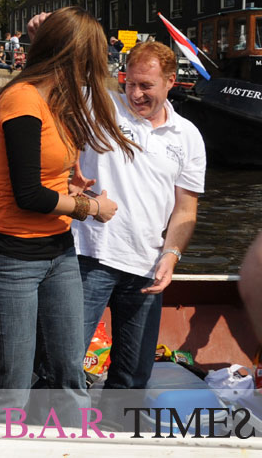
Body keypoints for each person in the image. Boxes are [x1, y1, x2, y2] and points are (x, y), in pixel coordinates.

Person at [0, 6, 135, 425]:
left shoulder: (57, 99)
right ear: (72, 55)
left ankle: (71, 444)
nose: (96, 69)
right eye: (93, 58)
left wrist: (71, 183)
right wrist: (91, 208)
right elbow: (28, 195)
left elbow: (48, 172)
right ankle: (3, 444)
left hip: (59, 253)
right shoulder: (22, 100)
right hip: (11, 258)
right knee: (14, 380)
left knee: (69, 372)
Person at [71, 40, 205, 391]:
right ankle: (53, 426)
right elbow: (51, 83)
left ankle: (118, 425)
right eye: (129, 83)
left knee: (133, 376)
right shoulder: (100, 106)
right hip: (88, 257)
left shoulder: (188, 136)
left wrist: (171, 255)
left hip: (146, 266)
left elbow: (186, 207)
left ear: (171, 81)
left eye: (146, 85)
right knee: (62, 363)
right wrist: (43, 38)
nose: (135, 94)